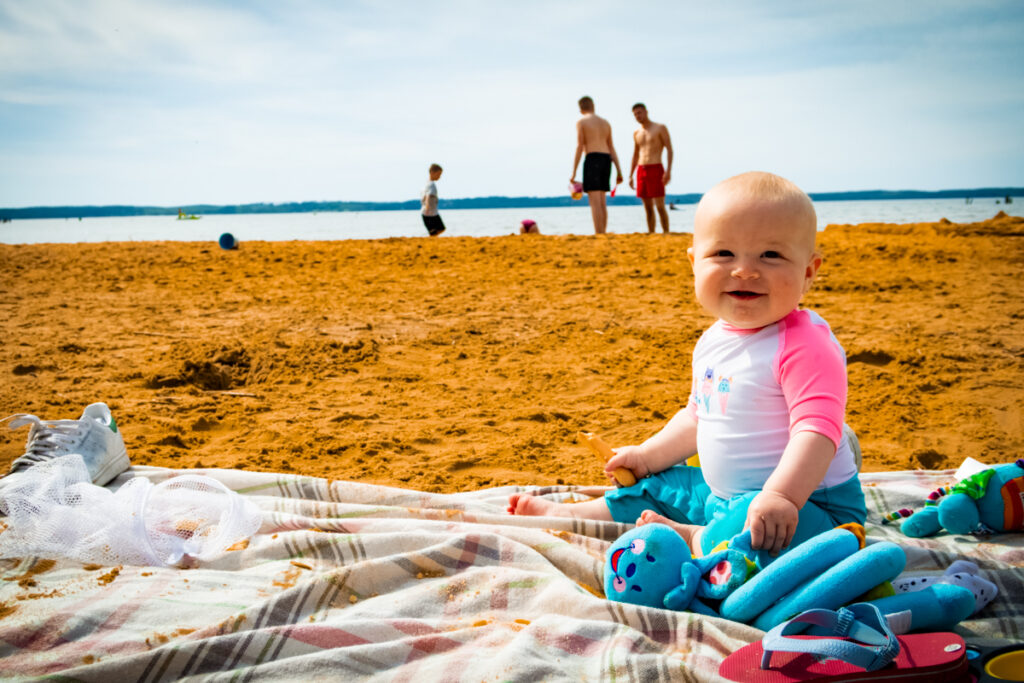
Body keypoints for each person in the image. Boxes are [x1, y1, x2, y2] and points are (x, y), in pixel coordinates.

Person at [508, 171, 866, 566]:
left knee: (756, 526)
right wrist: (645, 458)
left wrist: (781, 495)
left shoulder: (806, 344)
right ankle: (571, 516)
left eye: (771, 255)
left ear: (809, 271)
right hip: (723, 498)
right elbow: (699, 415)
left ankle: (696, 537)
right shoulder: (713, 340)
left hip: (809, 509)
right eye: (724, 254)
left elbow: (816, 432)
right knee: (663, 483)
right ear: (695, 262)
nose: (744, 270)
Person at [570, 96, 623, 234]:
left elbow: (580, 146)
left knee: (594, 202)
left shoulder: (581, 121)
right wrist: (619, 170)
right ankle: (603, 231)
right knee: (602, 201)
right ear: (593, 105)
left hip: (592, 157)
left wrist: (574, 172)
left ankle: (598, 232)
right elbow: (611, 147)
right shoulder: (605, 123)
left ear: (581, 108)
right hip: (606, 159)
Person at [628, 103, 673, 233]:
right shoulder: (637, 133)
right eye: (635, 114)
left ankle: (666, 232)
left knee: (659, 206)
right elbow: (635, 154)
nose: (638, 116)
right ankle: (651, 232)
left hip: (656, 167)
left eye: (640, 112)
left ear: (646, 112)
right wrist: (631, 175)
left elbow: (670, 149)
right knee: (647, 207)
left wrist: (668, 171)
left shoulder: (659, 128)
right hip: (641, 169)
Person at [421, 164, 446, 237]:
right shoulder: (431, 185)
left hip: (431, 212)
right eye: (438, 174)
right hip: (430, 213)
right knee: (436, 230)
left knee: (439, 229)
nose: (439, 177)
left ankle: (433, 238)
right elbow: (428, 196)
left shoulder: (427, 183)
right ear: (432, 172)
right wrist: (427, 207)